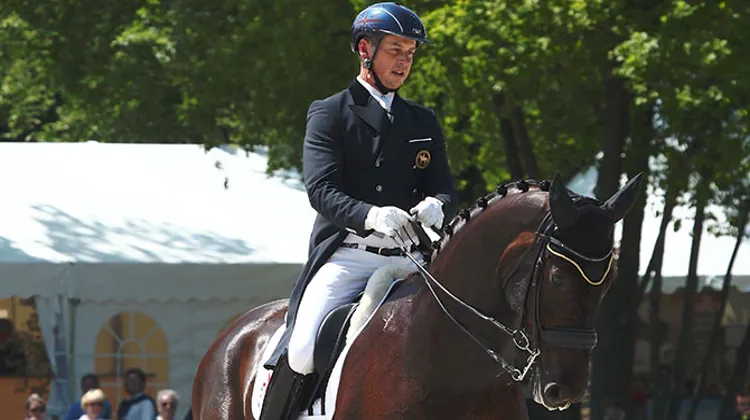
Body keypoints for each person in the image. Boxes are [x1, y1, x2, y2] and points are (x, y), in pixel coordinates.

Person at [260, 2, 458, 419]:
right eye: (395, 50)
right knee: (301, 349)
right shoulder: (331, 113)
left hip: (412, 258)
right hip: (350, 257)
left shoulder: (422, 120)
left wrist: (437, 205)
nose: (405, 61)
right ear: (365, 49)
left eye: (410, 52)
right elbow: (321, 190)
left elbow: (443, 185)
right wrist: (371, 215)